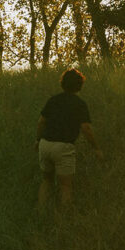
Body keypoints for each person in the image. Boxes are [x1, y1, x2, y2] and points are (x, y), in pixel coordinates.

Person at [36, 67, 102, 214]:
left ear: (62, 83)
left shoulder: (53, 100)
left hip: (45, 144)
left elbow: (41, 122)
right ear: (80, 85)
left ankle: (40, 214)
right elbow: (86, 128)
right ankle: (64, 222)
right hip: (63, 147)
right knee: (65, 186)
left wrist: (37, 140)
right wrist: (96, 148)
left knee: (46, 181)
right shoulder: (80, 104)